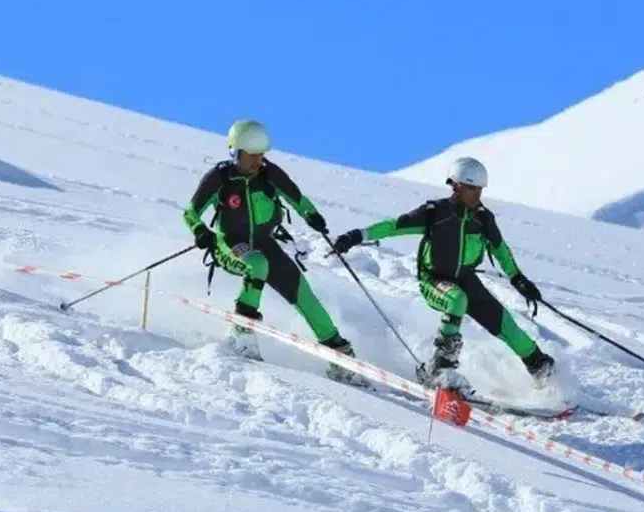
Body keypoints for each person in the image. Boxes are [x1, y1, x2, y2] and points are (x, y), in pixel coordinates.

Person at [331, 156, 555, 392]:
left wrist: (518, 279)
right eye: (472, 188)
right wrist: (356, 235)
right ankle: (439, 369)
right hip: (435, 280)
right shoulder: (435, 213)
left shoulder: (483, 219)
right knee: (457, 299)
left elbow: (500, 251)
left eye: (480, 189)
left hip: (467, 281)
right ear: (456, 186)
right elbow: (393, 226)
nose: (477, 195)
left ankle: (541, 368)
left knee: (507, 326)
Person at [183, 119, 362, 385]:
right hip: (231, 244)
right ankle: (241, 334)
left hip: (266, 243)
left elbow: (297, 199)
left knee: (304, 294)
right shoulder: (220, 178)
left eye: (261, 155)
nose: (257, 161)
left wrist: (312, 216)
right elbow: (190, 212)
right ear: (235, 152)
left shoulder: (269, 173)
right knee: (257, 264)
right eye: (251, 156)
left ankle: (339, 357)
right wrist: (200, 231)